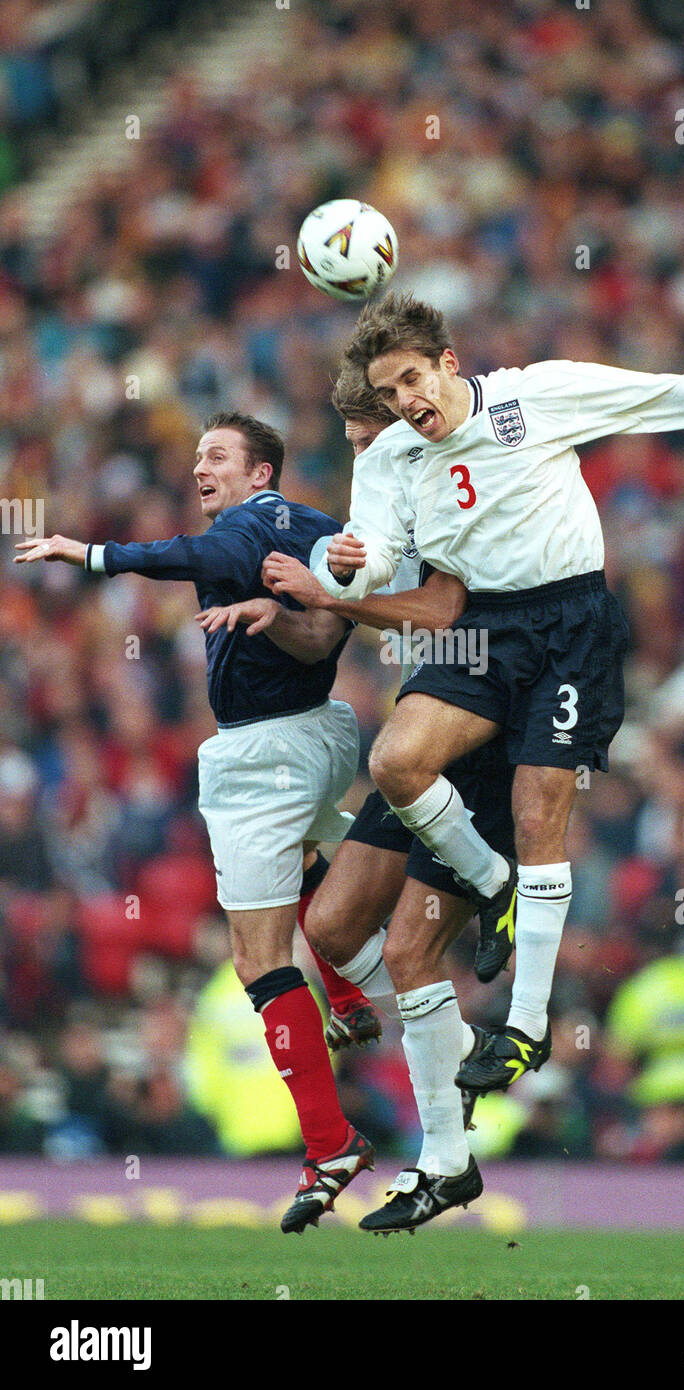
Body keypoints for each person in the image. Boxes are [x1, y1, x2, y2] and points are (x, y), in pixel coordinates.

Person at [303, 290, 684, 1098]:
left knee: (539, 815)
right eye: (389, 395)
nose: (405, 404)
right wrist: (352, 565)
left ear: (447, 364)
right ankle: (488, 884)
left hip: (570, 624)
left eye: (412, 381)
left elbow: (652, 392)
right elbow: (387, 547)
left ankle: (525, 1027)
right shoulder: (389, 456)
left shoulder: (530, 395)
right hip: (485, 633)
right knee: (395, 757)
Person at [14, 410, 378, 1234]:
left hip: (262, 753)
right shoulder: (318, 526)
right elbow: (343, 601)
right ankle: (353, 994)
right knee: (314, 854)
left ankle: (331, 1144)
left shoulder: (243, 528)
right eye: (197, 457)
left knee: (257, 961)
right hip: (326, 732)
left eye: (217, 457)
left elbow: (190, 554)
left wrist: (92, 554)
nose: (199, 470)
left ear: (261, 474)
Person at [211, 367, 517, 1232]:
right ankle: (462, 1058)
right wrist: (312, 604)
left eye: (365, 438)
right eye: (349, 442)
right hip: (419, 725)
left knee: (412, 956)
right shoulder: (388, 505)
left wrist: (335, 592)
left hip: (476, 723)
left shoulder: (450, 493)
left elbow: (446, 613)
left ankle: (447, 1149)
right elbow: (338, 622)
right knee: (338, 929)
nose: (359, 456)